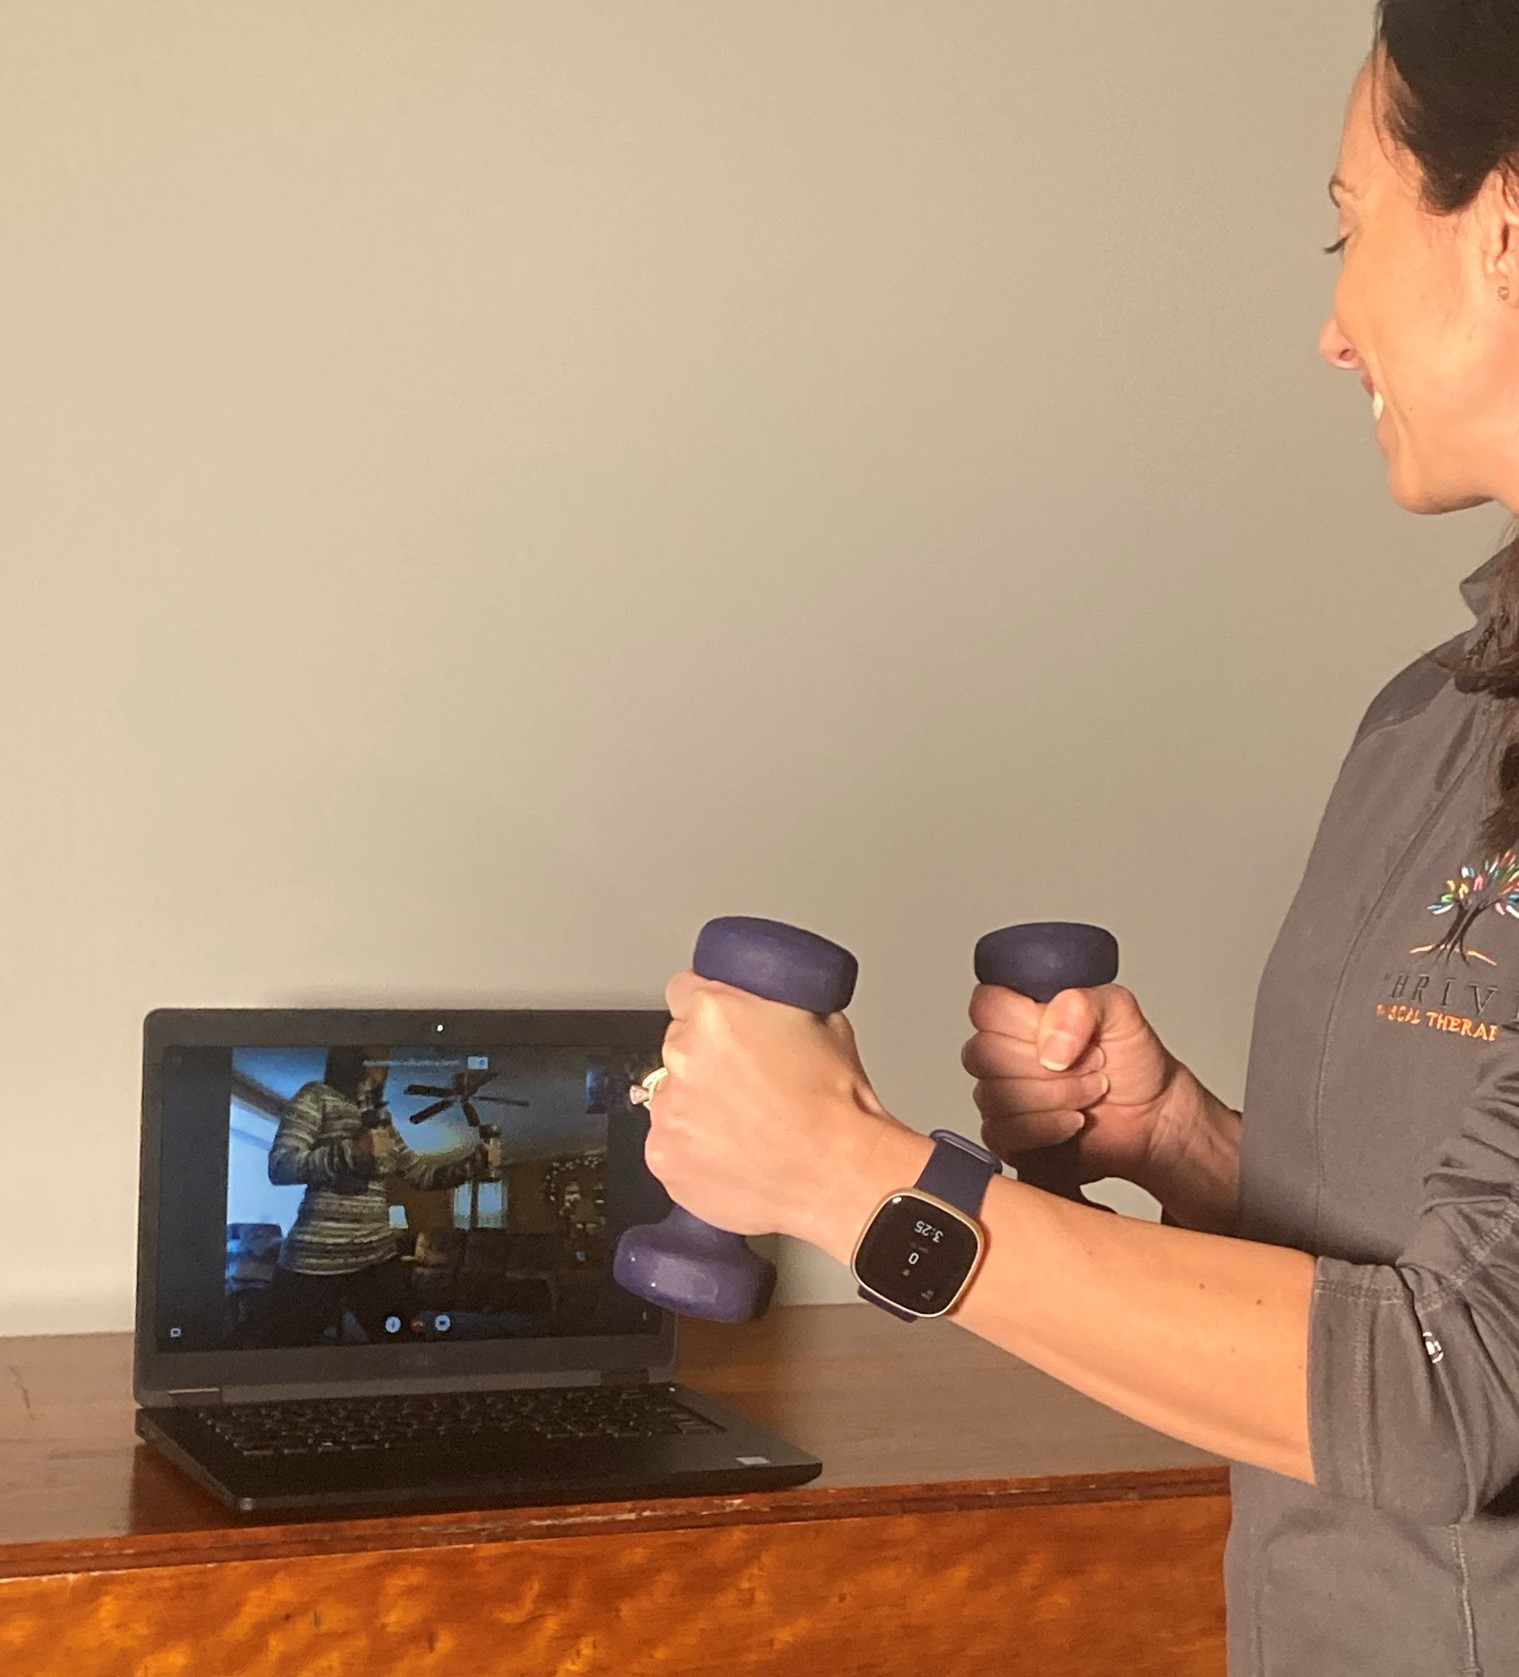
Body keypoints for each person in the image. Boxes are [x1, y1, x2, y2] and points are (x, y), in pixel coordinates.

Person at [637, 5, 1519, 1672]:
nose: (1330, 326)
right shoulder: (1432, 718)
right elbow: (1447, 1244)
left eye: (1349, 226)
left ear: (1500, 229)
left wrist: (852, 1177)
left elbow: (1451, 1382)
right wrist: (1182, 1143)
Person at [263, 1047, 499, 1345]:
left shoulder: (383, 1120)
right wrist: (353, 1151)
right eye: (377, 1056)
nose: (384, 1067)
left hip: (377, 1256)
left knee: (409, 1347)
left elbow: (421, 1174)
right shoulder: (316, 1096)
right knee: (280, 1355)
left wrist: (473, 1164)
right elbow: (281, 1166)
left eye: (386, 1060)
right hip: (314, 1260)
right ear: (353, 1056)